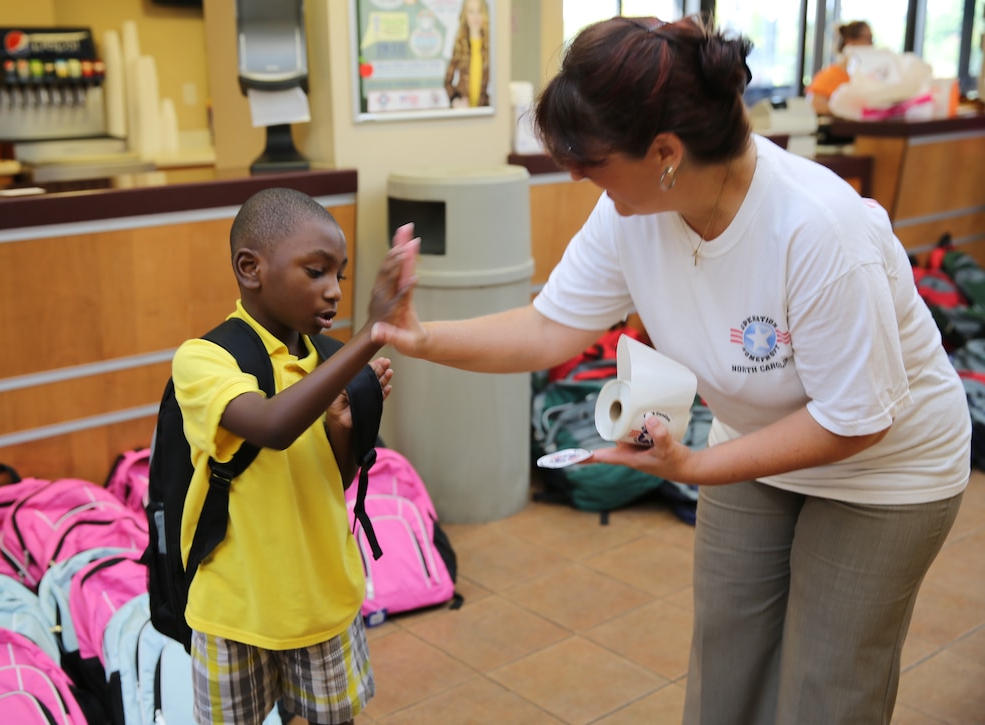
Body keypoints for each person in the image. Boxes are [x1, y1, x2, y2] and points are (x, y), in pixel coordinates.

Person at [373, 15, 968, 725]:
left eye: (588, 158)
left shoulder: (819, 229)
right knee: (726, 668)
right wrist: (420, 337)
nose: (575, 173)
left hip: (885, 467)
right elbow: (547, 327)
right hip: (756, 440)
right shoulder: (631, 212)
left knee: (825, 688)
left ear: (665, 151)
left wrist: (692, 468)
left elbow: (853, 419)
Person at [176, 187, 417, 725]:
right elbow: (272, 427)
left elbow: (338, 480)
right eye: (316, 272)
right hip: (234, 610)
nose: (333, 292)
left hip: (321, 601)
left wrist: (344, 426)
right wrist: (368, 337)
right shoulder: (203, 359)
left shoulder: (330, 359)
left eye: (341, 276)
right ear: (250, 268)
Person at [807, 20, 874, 115]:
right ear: (851, 41)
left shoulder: (867, 75)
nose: (871, 44)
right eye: (867, 38)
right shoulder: (830, 75)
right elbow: (814, 107)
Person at [444, 0, 490, 108]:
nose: (476, 17)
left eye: (479, 11)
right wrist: (456, 100)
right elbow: (447, 81)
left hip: (483, 110)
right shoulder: (460, 43)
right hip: (463, 110)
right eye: (471, 12)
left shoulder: (489, 45)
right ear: (465, 14)